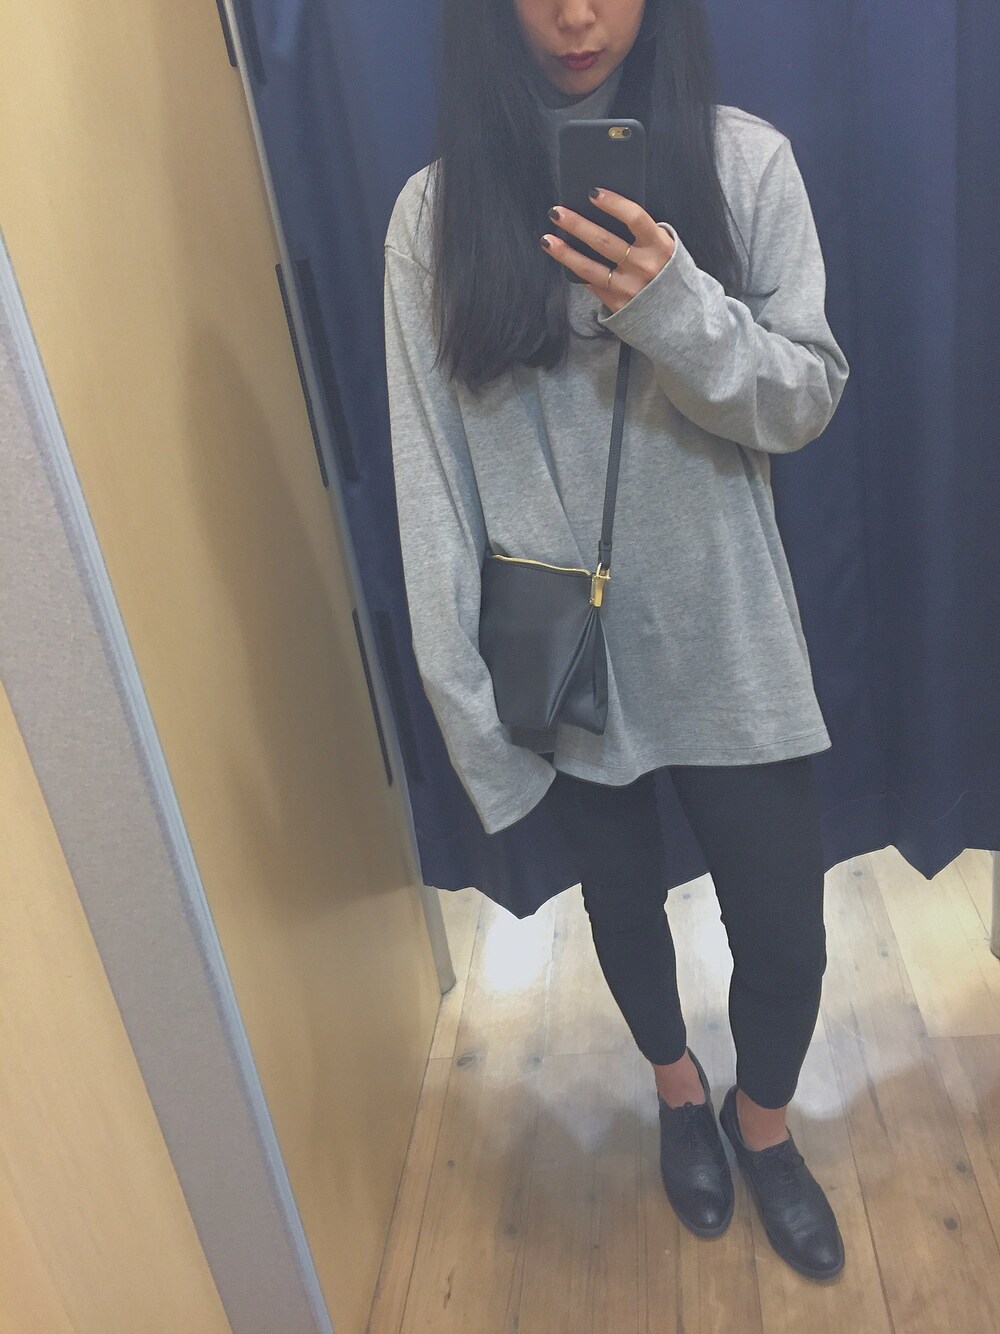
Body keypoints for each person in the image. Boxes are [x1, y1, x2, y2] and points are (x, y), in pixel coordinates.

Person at [383, 0, 849, 1281]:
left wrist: (674, 305)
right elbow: (432, 486)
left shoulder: (743, 162)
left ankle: (763, 1127)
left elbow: (806, 397)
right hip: (556, 650)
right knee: (623, 909)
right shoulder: (433, 217)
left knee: (786, 933)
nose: (577, 14)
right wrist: (469, 717)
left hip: (726, 630)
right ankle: (678, 1092)